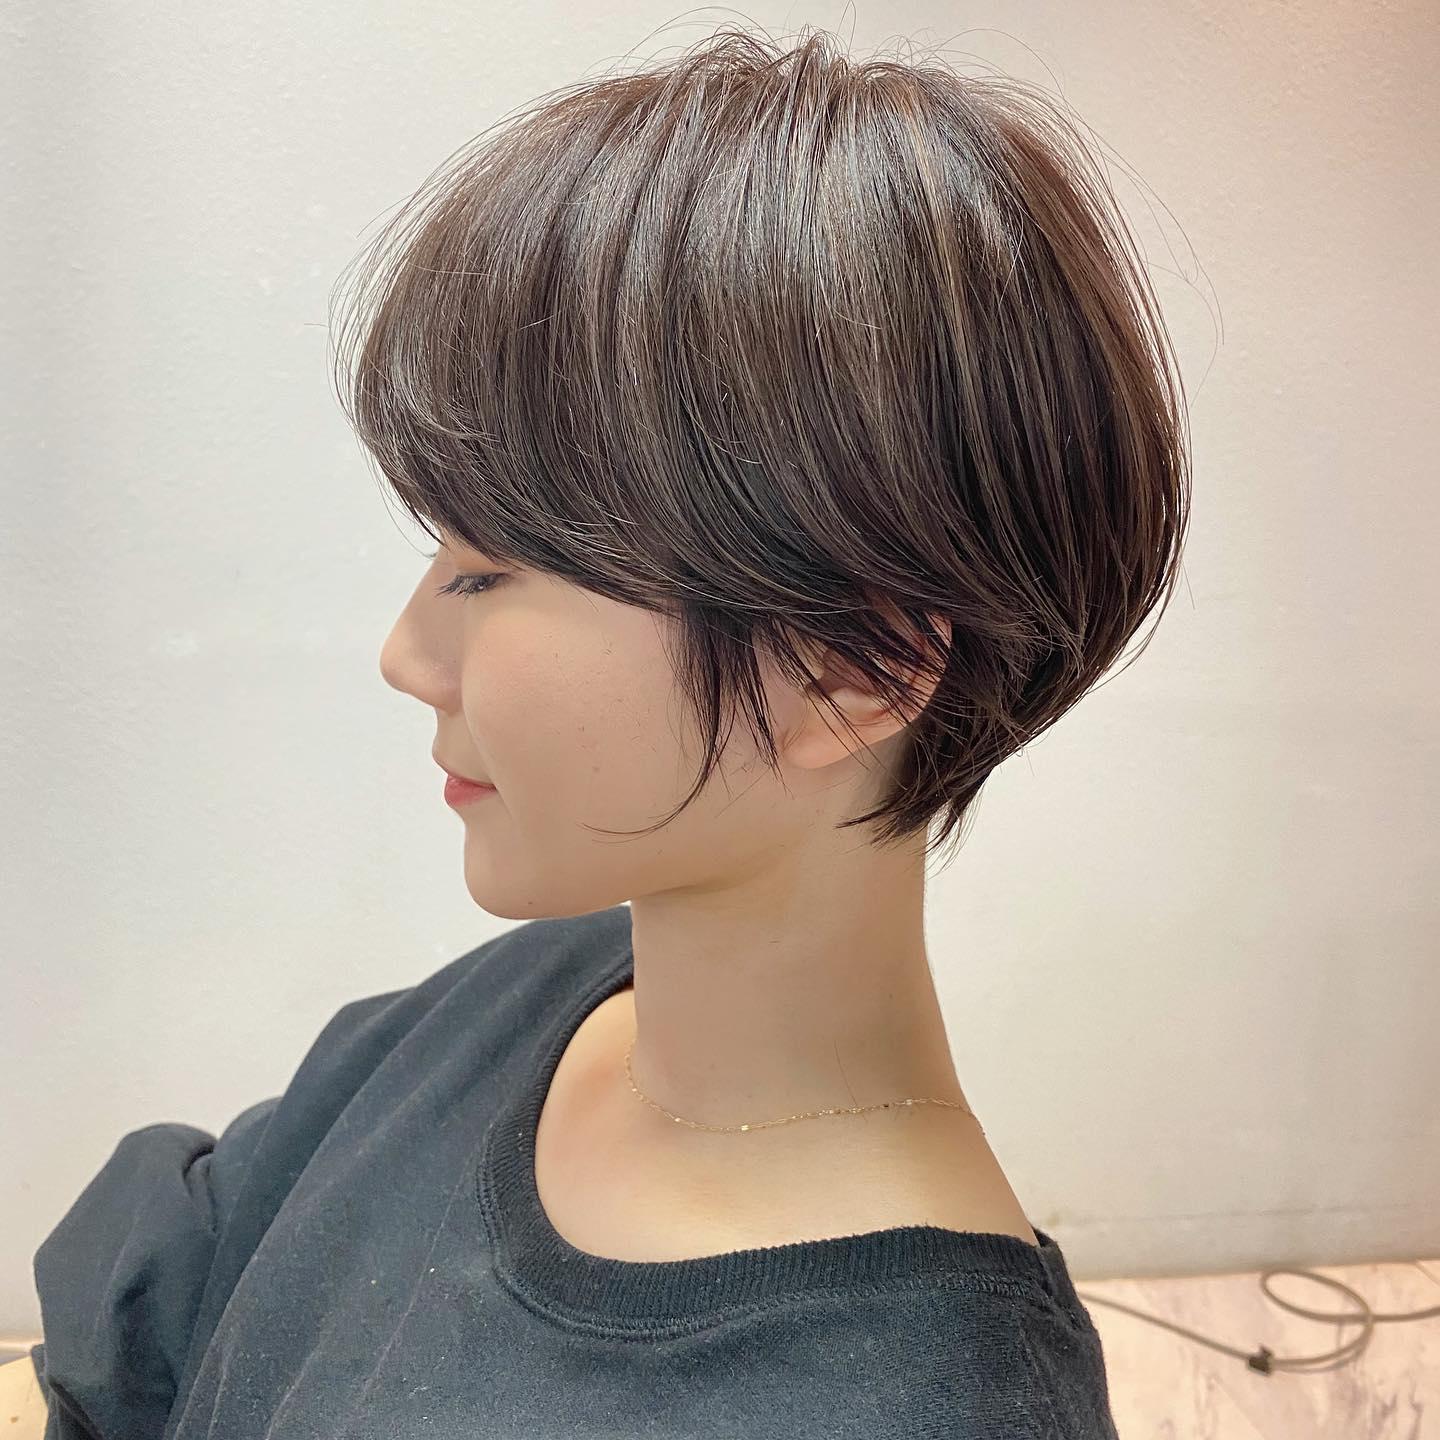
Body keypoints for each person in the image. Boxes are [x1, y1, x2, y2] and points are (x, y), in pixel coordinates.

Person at [16, 22, 1189, 1437]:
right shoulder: (523, 999)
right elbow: (161, 1317)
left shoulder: (919, 1407)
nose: (406, 656)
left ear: (847, 668)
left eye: (487, 571)